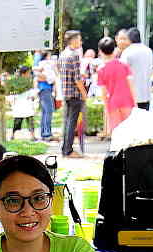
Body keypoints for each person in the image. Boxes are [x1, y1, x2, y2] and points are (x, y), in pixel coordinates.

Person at [96, 37, 135, 135]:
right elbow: (131, 85)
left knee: (116, 133)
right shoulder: (124, 64)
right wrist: (135, 103)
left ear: (101, 51)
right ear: (114, 49)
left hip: (113, 103)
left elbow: (103, 92)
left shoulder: (101, 69)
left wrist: (106, 107)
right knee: (129, 132)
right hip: (127, 101)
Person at [58, 30, 87, 159]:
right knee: (71, 123)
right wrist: (84, 93)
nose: (80, 42)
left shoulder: (63, 54)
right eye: (79, 39)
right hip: (75, 93)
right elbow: (77, 78)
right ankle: (68, 150)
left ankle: (65, 149)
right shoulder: (74, 55)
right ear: (74, 40)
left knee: (67, 122)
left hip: (66, 92)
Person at [121, 27, 153, 110]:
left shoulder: (127, 52)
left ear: (129, 39)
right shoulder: (149, 51)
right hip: (146, 94)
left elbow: (121, 73)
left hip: (131, 96)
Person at [9, 67, 37, 140]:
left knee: (29, 120)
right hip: (20, 103)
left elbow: (32, 92)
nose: (30, 74)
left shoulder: (29, 81)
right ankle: (13, 135)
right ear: (23, 73)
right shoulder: (18, 82)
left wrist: (32, 96)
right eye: (28, 73)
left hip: (27, 103)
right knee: (18, 121)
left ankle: (32, 136)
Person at [34, 53, 57, 141]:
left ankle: (44, 133)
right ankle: (47, 133)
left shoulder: (43, 64)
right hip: (45, 89)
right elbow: (37, 75)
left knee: (45, 112)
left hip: (44, 89)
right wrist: (48, 78)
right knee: (48, 111)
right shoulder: (44, 63)